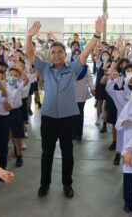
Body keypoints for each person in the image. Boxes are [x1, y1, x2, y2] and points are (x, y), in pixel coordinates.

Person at [26, 16, 104, 199]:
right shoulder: (45, 68)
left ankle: (67, 184)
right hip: (48, 117)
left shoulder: (74, 68)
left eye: (60, 52)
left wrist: (96, 34)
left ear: (65, 54)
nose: (56, 55)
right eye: (53, 52)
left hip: (68, 117)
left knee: (67, 152)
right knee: (47, 152)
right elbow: (30, 54)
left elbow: (85, 53)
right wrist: (29, 36)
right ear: (50, 55)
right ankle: (45, 184)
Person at [72, 49, 95, 141]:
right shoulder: (68, 66)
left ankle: (79, 133)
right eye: (75, 54)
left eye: (79, 54)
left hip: (81, 92)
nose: (77, 56)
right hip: (70, 93)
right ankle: (72, 132)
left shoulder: (86, 67)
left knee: (79, 112)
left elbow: (89, 79)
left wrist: (92, 88)